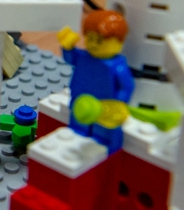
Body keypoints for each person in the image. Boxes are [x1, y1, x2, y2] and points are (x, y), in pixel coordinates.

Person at [57, 10, 135, 152]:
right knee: (77, 127)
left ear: (118, 41)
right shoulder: (84, 57)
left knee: (103, 135)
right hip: (80, 103)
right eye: (90, 38)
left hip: (104, 109)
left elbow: (126, 86)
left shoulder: (117, 66)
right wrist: (67, 47)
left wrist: (118, 102)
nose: (93, 44)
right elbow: (71, 58)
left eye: (99, 40)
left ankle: (104, 150)